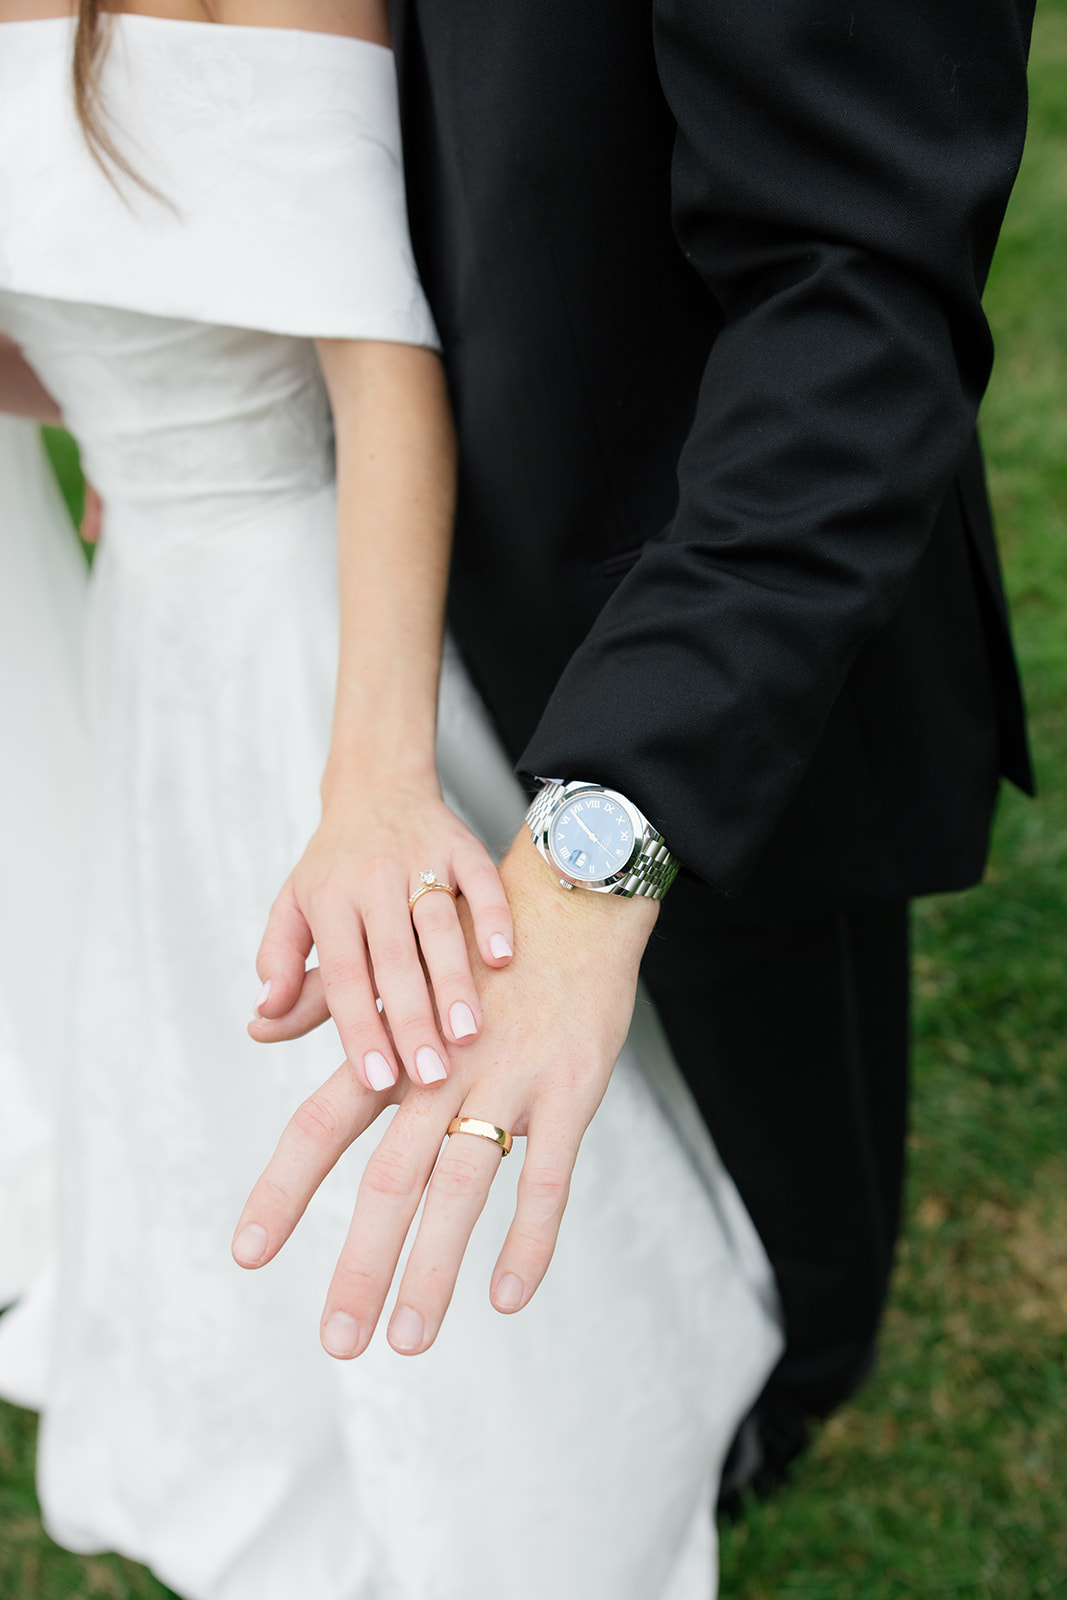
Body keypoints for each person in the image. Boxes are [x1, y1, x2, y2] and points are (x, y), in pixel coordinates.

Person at [0, 4, 780, 1597]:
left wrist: (372, 778)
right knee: (204, 1032)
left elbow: (381, 368)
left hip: (316, 615)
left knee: (387, 1033)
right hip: (149, 594)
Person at [237, 0, 1036, 1506]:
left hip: (706, 627)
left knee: (792, 1167)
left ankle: (784, 1392)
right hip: (382, 582)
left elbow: (854, 308)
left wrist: (610, 832)